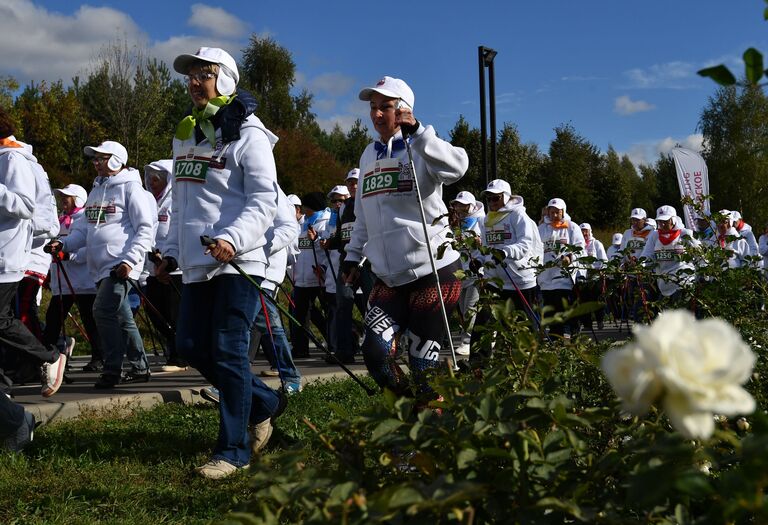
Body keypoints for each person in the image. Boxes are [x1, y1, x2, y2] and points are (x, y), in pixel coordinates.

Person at [158, 47, 286, 479]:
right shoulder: (186, 133)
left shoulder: (249, 134)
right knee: (191, 345)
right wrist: (171, 250)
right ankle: (265, 402)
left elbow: (264, 200)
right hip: (196, 261)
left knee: (229, 350)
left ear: (226, 81)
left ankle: (232, 451)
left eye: (204, 75)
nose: (194, 83)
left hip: (239, 259)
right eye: (191, 76)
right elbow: (181, 201)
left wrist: (233, 238)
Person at [342, 75, 467, 396]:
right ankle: (409, 411)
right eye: (373, 107)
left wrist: (419, 134)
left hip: (433, 272)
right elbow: (363, 214)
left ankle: (432, 417)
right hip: (389, 277)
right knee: (375, 353)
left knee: (423, 366)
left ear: (404, 110)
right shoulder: (368, 155)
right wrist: (353, 256)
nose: (376, 114)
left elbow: (458, 166)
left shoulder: (423, 145)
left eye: (385, 107)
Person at [51, 140, 154, 389]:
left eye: (101, 158)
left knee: (101, 311)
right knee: (123, 318)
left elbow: (145, 228)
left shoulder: (131, 188)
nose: (96, 163)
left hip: (120, 264)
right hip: (99, 267)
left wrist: (130, 260)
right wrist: (63, 244)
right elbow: (83, 230)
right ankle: (140, 367)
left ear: (117, 160)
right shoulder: (96, 190)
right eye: (94, 159)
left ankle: (112, 369)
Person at [0, 108, 66, 398]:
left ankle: (49, 357)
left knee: (3, 319)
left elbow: (26, 206)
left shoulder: (13, 159)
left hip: (6, 256)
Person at [469, 180, 541, 365]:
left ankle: (527, 365)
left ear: (507, 197)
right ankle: (477, 365)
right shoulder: (486, 219)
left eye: (496, 197)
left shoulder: (518, 215)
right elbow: (487, 248)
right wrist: (479, 260)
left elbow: (525, 244)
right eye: (489, 198)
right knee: (483, 323)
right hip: (494, 281)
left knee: (522, 327)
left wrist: (505, 252)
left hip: (519, 281)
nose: (491, 201)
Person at [42, 184, 103, 372]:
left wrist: (70, 256)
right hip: (62, 282)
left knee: (90, 321)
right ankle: (50, 360)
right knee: (53, 320)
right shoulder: (59, 220)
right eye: (61, 197)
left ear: (77, 200)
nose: (63, 200)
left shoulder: (85, 218)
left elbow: (90, 247)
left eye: (66, 197)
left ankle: (99, 357)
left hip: (83, 281)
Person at [143, 159, 188, 372]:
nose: (152, 183)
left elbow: (179, 231)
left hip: (174, 268)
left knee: (174, 314)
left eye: (156, 179)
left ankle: (179, 357)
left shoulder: (174, 203)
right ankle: (177, 349)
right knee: (154, 311)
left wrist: (168, 258)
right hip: (154, 265)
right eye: (150, 178)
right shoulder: (149, 202)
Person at [537, 197, 585, 337]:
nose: (554, 215)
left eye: (557, 212)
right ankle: (555, 339)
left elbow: (580, 248)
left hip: (564, 278)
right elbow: (535, 249)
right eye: (551, 212)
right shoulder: (542, 229)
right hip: (546, 278)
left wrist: (570, 257)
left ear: (563, 211)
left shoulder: (572, 227)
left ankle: (570, 333)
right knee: (550, 312)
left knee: (563, 308)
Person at [292, 192, 331, 358]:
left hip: (320, 276)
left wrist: (323, 267)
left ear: (311, 207)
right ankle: (300, 349)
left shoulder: (326, 221)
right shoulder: (303, 223)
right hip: (302, 278)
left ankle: (337, 344)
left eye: (305, 207)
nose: (303, 210)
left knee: (329, 312)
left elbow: (327, 247)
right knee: (300, 315)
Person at [639, 205, 699, 304]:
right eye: (660, 221)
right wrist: (639, 265)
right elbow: (647, 255)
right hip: (664, 284)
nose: (662, 224)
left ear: (673, 220)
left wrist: (703, 275)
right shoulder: (654, 235)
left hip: (683, 283)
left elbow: (700, 254)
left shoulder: (685, 234)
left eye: (665, 221)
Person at [449, 190, 484, 356]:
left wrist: (478, 242)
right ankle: (474, 338)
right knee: (463, 309)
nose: (460, 209)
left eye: (463, 206)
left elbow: (486, 243)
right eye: (457, 205)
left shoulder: (481, 221)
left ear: (472, 206)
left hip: (476, 271)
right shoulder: (457, 224)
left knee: (471, 309)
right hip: (460, 272)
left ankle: (468, 342)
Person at [576, 223, 608, 331]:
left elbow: (604, 259)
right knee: (584, 301)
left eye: (586, 231)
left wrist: (601, 270)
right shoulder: (578, 245)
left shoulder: (596, 244)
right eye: (582, 231)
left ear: (590, 231)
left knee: (597, 299)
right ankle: (587, 324)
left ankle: (600, 320)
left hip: (595, 276)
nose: (584, 233)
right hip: (582, 277)